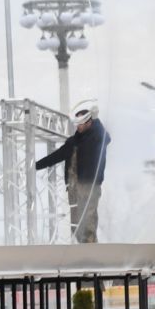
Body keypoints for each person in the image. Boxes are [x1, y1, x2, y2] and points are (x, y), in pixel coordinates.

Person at [36, 102, 110, 243]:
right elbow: (56, 156)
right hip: (73, 188)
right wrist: (36, 166)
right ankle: (81, 247)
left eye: (80, 123)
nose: (78, 126)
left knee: (88, 220)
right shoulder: (73, 142)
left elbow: (106, 137)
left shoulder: (97, 138)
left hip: (90, 186)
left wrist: (96, 118)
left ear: (89, 122)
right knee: (75, 223)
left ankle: (90, 248)